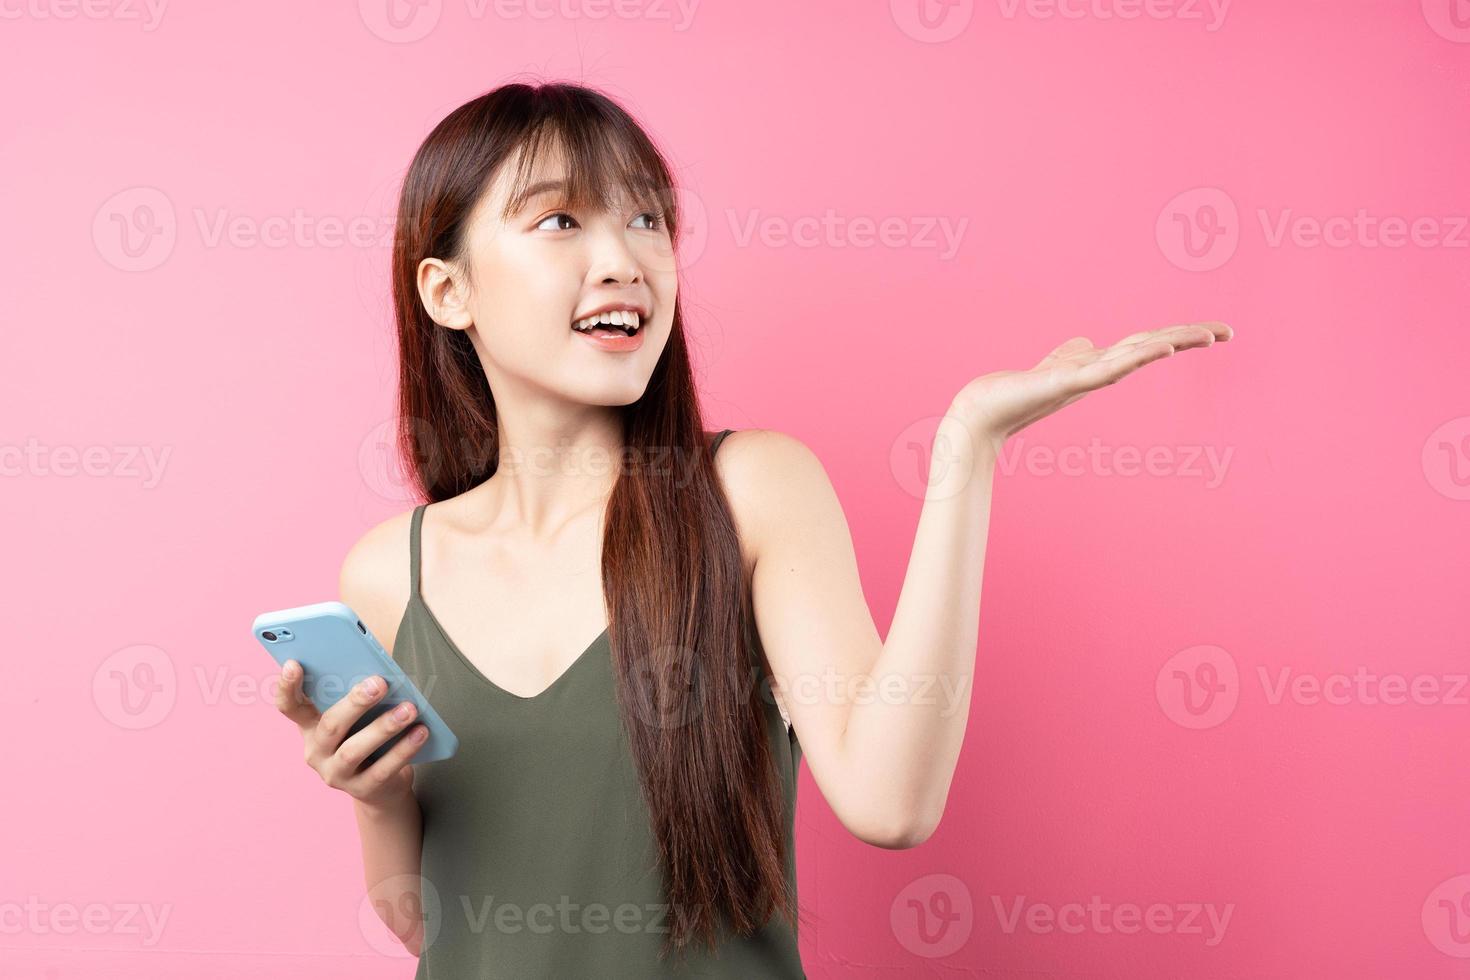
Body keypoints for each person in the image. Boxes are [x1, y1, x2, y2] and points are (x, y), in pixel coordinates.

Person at [271, 80, 1233, 978]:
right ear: (449, 293)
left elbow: (891, 803)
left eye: (649, 218)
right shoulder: (389, 576)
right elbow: (429, 923)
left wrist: (968, 449)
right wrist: (379, 794)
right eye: (562, 219)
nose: (626, 260)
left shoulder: (750, 490)